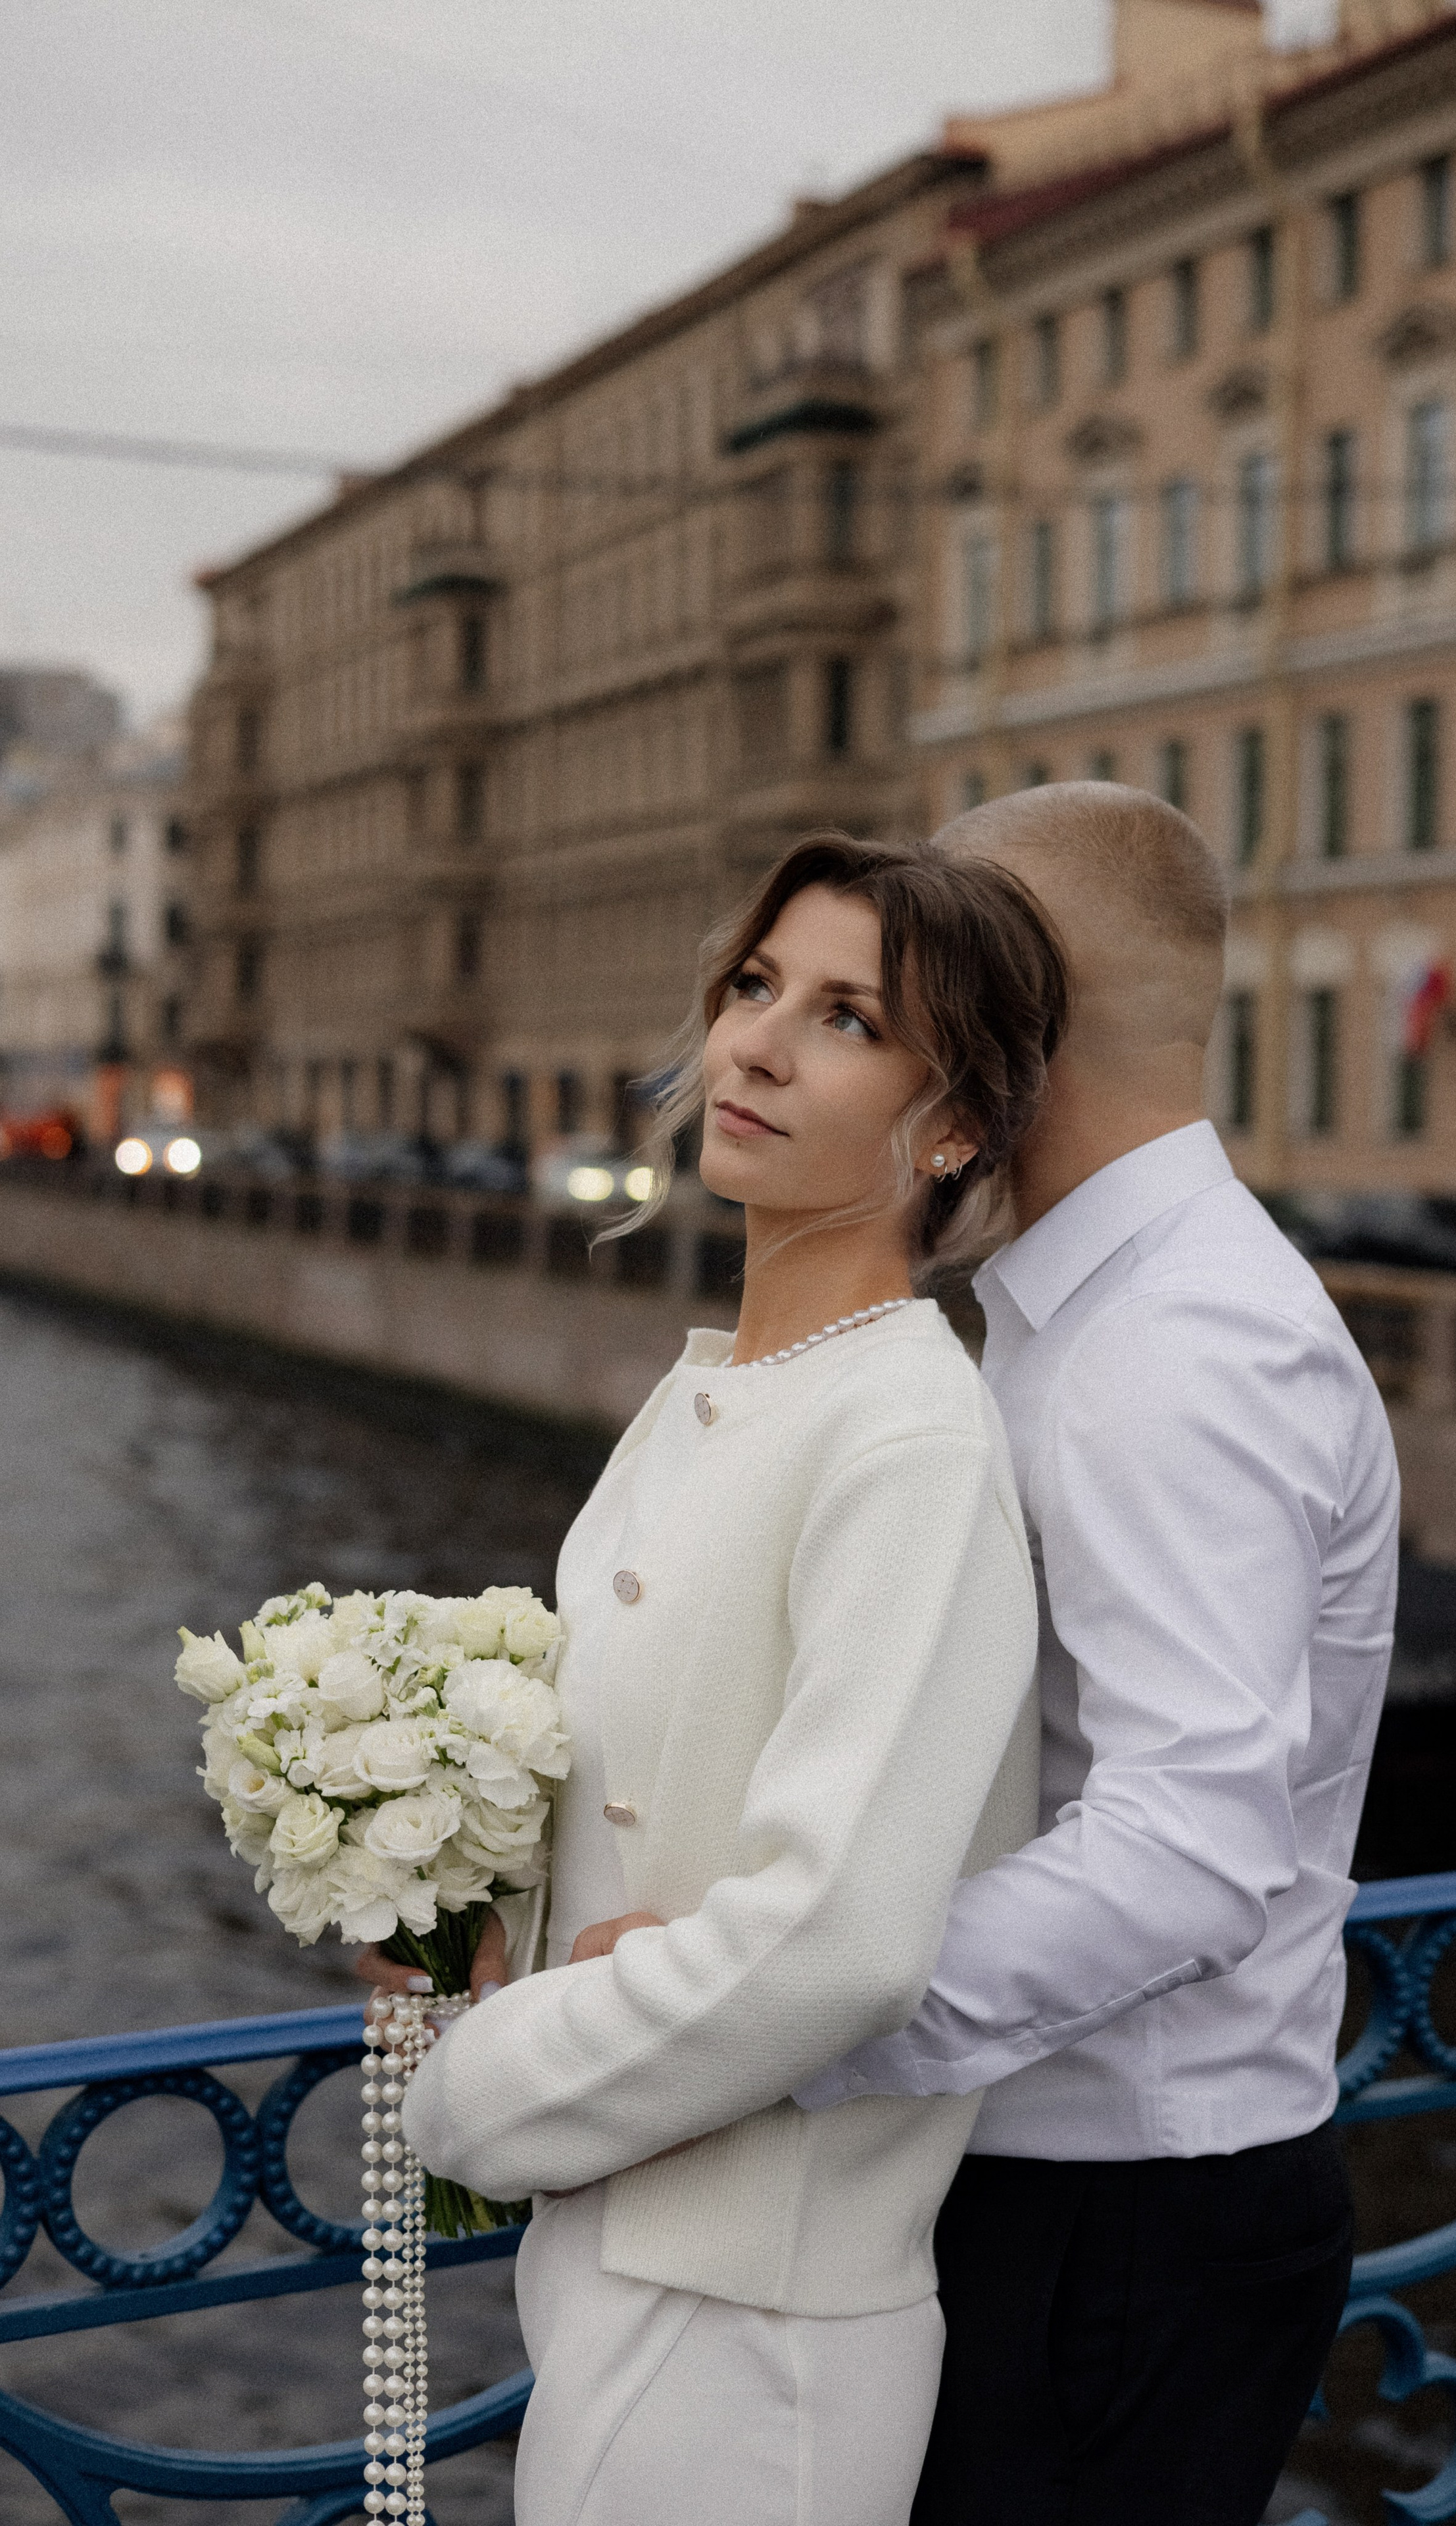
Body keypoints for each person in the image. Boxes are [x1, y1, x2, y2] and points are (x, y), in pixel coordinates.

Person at [379, 833, 1068, 2526]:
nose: (752, 1044)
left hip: (756, 2322)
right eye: (756, 986)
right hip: (634, 2255)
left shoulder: (903, 1435)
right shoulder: (729, 1393)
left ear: (956, 1122)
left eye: (844, 1019)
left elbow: (834, 1940)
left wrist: (468, 2085)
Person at [798, 782, 1401, 2526]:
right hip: (1099, 2195)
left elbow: (1189, 1852)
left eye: (897, 999)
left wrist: (762, 2026)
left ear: (1014, 1005)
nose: (879, 1045)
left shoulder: (1175, 1350)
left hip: (1117, 2214)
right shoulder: (1104, 1311)